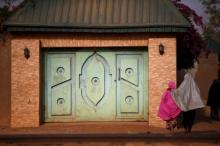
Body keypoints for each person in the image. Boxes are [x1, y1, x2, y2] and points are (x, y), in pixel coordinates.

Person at [172, 59, 205, 133]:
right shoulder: (194, 85)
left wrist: (173, 92)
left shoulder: (184, 84)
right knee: (191, 117)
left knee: (186, 117)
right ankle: (189, 128)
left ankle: (186, 128)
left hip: (186, 105)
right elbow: (198, 92)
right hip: (193, 106)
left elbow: (179, 91)